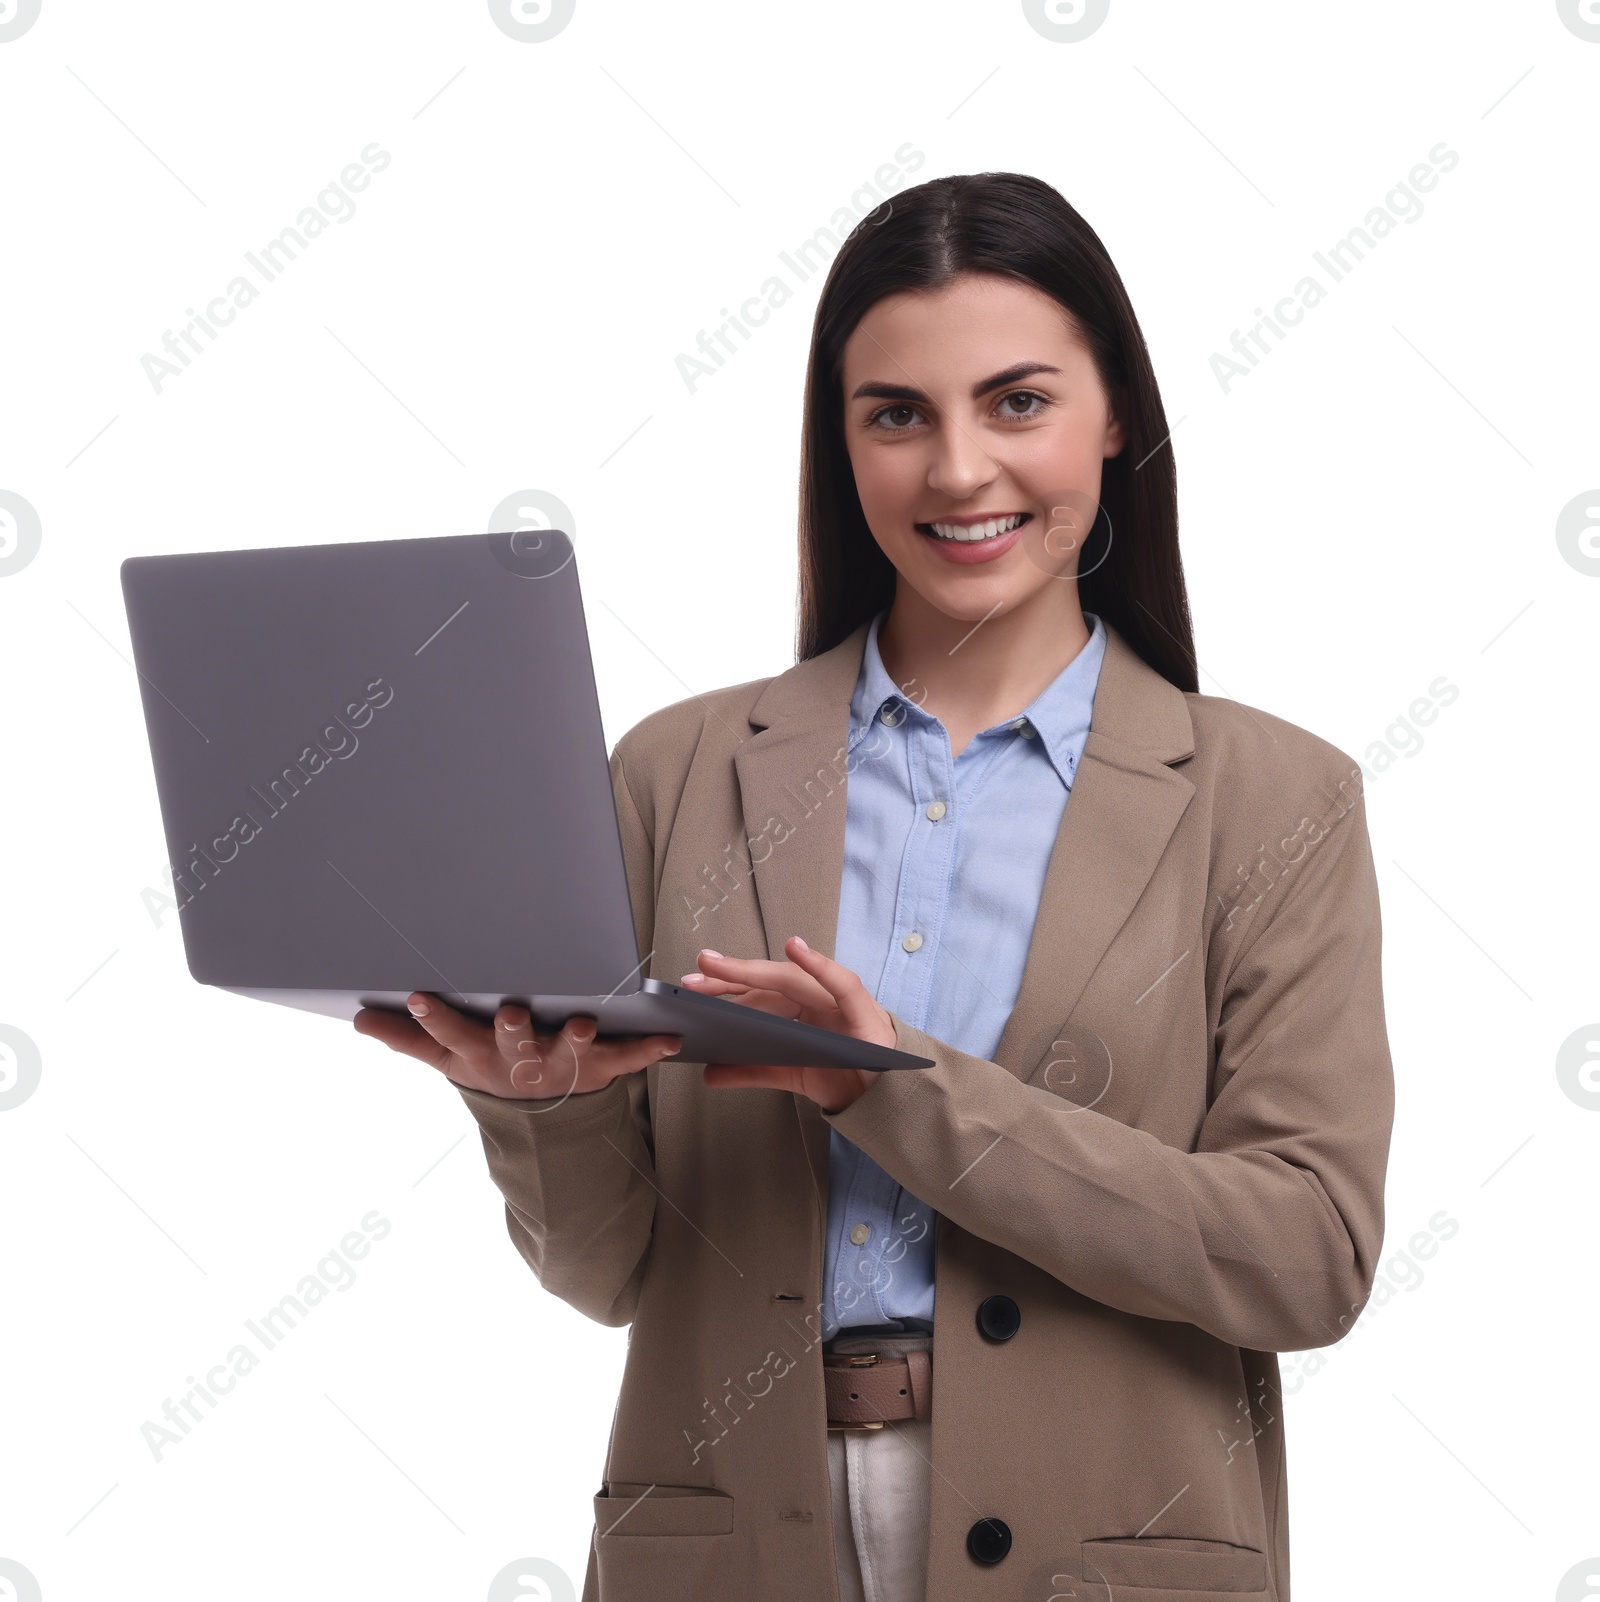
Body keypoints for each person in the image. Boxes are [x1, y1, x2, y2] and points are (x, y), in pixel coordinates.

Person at [353, 171, 1394, 1602]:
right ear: (841, 447)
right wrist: (536, 1106)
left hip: (1104, 1545)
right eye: (896, 413)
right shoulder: (679, 768)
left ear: (1118, 421)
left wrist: (894, 1086)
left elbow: (1308, 1259)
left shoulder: (1274, 799)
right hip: (725, 1539)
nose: (958, 470)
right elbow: (606, 1274)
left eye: (1018, 401)